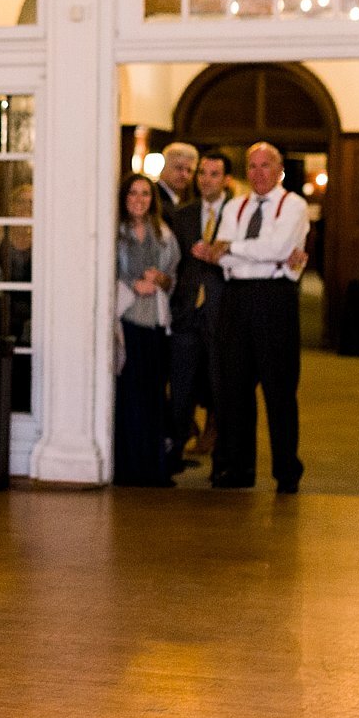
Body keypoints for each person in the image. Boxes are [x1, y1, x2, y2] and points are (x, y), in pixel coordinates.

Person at [201, 142, 310, 494]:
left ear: (278, 170)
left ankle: (286, 471)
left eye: (265, 165)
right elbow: (222, 258)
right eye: (252, 166)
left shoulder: (293, 204)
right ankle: (238, 468)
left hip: (275, 299)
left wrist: (234, 248)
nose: (258, 173)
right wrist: (244, 253)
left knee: (279, 389)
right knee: (234, 388)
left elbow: (279, 249)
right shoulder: (235, 205)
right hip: (237, 298)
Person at [169, 150, 234, 468]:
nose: (206, 180)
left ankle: (224, 459)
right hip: (187, 312)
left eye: (213, 174)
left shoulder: (238, 213)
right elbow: (174, 262)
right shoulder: (182, 214)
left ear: (226, 179)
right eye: (202, 174)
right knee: (180, 387)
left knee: (221, 387)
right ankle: (176, 451)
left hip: (222, 313)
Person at [113, 175, 178, 487]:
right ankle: (128, 466)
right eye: (133, 194)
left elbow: (173, 275)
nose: (139, 200)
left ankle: (154, 467)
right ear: (124, 198)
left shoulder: (163, 234)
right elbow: (106, 274)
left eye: (145, 194)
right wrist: (131, 285)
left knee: (154, 395)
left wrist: (162, 280)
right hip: (126, 322)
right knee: (129, 395)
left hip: (154, 323)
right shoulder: (116, 234)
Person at [154, 143, 197, 230]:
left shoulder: (184, 200)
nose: (184, 175)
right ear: (164, 167)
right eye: (179, 168)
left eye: (189, 170)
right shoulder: (153, 197)